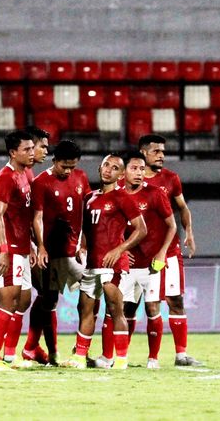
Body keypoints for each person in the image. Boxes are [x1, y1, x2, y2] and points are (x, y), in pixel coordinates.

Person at [62, 154, 146, 370]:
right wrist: (82, 245)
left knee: (115, 310)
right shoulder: (89, 198)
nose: (109, 169)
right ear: (100, 168)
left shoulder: (123, 197)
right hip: (92, 265)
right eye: (106, 165)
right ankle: (80, 357)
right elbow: (88, 230)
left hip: (113, 266)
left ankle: (121, 359)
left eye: (115, 167)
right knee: (86, 309)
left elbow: (141, 229)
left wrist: (120, 250)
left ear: (120, 174)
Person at [98, 151, 177, 369]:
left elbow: (172, 225)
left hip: (151, 265)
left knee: (152, 308)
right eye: (134, 168)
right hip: (125, 266)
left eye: (142, 169)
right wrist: (120, 249)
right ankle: (108, 356)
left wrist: (162, 252)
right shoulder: (114, 195)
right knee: (117, 309)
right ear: (123, 173)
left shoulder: (156, 194)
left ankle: (153, 359)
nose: (139, 173)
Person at [21, 140, 91, 366]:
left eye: (72, 166)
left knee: (92, 291)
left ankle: (82, 348)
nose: (68, 170)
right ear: (54, 161)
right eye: (64, 166)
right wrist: (40, 246)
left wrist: (84, 243)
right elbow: (37, 217)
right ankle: (41, 351)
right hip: (52, 252)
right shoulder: (42, 182)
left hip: (75, 252)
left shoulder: (81, 177)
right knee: (48, 299)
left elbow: (87, 210)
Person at [138, 134, 202, 367]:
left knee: (175, 300)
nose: (162, 156)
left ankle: (181, 355)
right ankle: (142, 357)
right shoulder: (131, 179)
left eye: (163, 152)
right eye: (156, 151)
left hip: (170, 251)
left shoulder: (171, 179)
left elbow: (183, 208)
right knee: (146, 304)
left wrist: (189, 232)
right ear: (143, 152)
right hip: (141, 254)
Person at [0, 130, 35, 371]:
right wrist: (4, 249)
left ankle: (9, 355)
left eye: (33, 148)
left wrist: (31, 245)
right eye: (27, 149)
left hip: (21, 248)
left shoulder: (24, 174)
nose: (32, 153)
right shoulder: (6, 177)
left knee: (22, 300)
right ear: (13, 152)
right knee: (7, 300)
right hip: (8, 249)